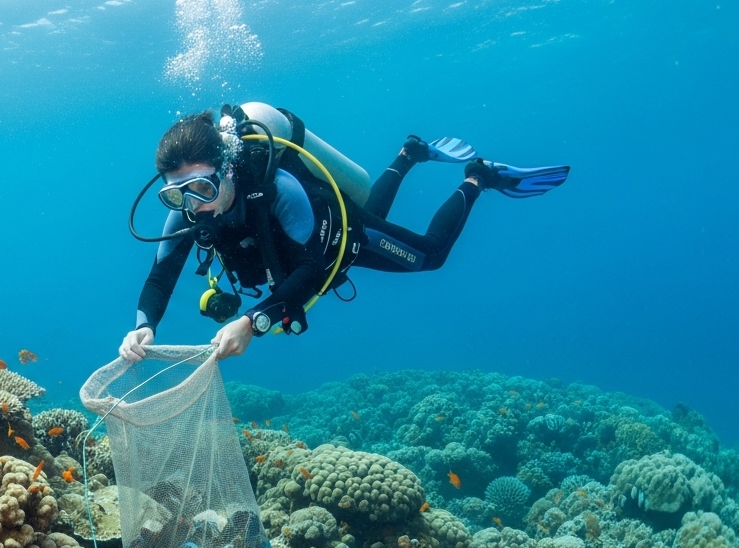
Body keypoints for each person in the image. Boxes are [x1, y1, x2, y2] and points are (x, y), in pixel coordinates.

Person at [120, 105, 569, 362]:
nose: (193, 204)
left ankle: (477, 178)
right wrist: (144, 326)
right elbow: (160, 276)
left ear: (228, 169)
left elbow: (314, 268)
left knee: (429, 255)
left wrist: (252, 321)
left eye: (202, 186)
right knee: (372, 204)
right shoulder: (190, 210)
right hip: (311, 244)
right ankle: (409, 154)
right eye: (176, 195)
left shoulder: (276, 189)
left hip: (339, 240)